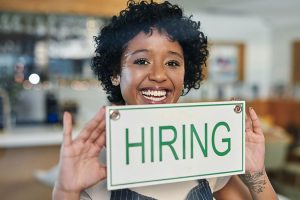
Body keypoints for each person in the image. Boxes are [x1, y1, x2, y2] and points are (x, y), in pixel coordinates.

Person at [52, 1, 278, 199]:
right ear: (115, 72)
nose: (159, 75)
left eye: (172, 63)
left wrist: (256, 173)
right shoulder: (94, 163)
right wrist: (66, 192)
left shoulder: (204, 148)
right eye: (141, 61)